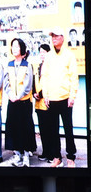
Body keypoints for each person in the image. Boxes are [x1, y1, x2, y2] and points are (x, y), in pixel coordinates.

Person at [37, 27, 78, 166]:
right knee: (53, 130)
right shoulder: (48, 56)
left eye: (56, 36)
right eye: (52, 36)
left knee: (68, 129)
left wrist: (72, 96)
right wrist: (46, 95)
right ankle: (56, 157)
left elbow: (74, 77)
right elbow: (45, 76)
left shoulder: (69, 55)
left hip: (66, 99)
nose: (53, 38)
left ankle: (71, 157)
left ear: (62, 38)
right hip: (51, 100)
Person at [5, 37, 37, 167]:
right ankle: (17, 154)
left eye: (17, 46)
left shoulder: (27, 65)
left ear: (22, 48)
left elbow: (28, 84)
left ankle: (25, 156)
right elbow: (6, 82)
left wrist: (19, 95)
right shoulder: (9, 64)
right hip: (12, 101)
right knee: (13, 128)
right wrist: (11, 94)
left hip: (24, 102)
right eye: (13, 46)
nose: (14, 48)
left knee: (25, 128)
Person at [34, 42, 55, 161]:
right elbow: (34, 82)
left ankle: (52, 154)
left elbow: (50, 83)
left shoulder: (51, 67)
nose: (42, 55)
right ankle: (45, 151)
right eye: (40, 52)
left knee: (50, 129)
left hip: (47, 103)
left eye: (44, 52)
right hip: (38, 104)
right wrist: (34, 93)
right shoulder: (38, 66)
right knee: (42, 130)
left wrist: (40, 94)